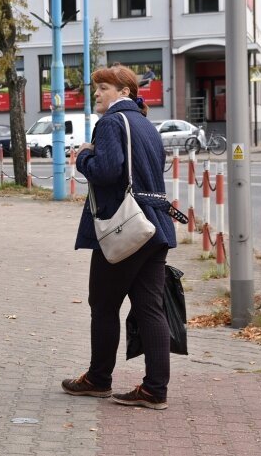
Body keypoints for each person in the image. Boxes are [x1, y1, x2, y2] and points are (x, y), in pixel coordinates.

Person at [61, 65, 177, 410]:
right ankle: (155, 389)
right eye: (97, 88)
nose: (97, 94)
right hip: (155, 225)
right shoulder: (146, 124)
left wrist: (83, 156)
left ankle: (99, 379)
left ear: (124, 92)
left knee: (104, 305)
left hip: (125, 227)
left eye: (104, 88)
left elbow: (108, 171)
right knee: (150, 309)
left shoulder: (112, 122)